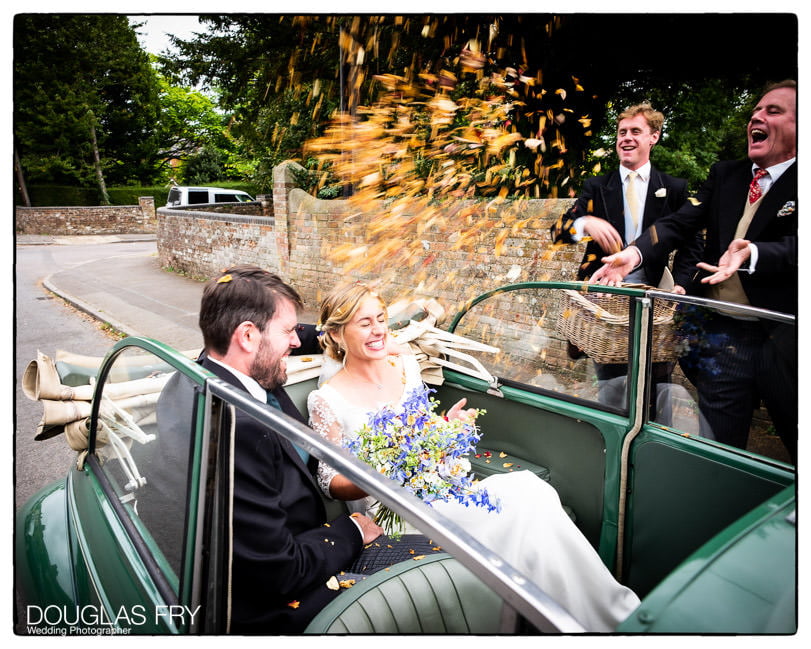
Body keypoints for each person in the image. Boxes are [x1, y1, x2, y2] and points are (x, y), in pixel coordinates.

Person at [307, 281, 642, 632]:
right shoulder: (327, 399)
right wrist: (387, 470)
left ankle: (608, 616)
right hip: (396, 512)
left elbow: (426, 432)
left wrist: (447, 427)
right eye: (364, 323)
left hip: (442, 484)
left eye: (381, 318)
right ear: (336, 333)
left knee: (534, 491)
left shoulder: (404, 366)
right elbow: (331, 482)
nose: (378, 330)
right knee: (522, 510)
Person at [196, 264, 437, 633]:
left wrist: (359, 334)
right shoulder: (237, 429)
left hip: (312, 546)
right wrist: (352, 530)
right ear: (247, 335)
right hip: (292, 591)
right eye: (290, 331)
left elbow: (315, 334)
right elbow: (279, 570)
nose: (297, 342)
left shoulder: (226, 366)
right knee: (449, 567)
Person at [591, 80, 797, 460]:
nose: (757, 116)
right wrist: (634, 254)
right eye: (756, 110)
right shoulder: (727, 174)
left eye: (774, 111)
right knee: (720, 449)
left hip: (784, 337)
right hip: (720, 335)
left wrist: (753, 253)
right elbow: (679, 224)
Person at [550, 103, 702, 417]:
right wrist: (583, 224)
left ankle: (653, 449)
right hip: (606, 303)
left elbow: (692, 244)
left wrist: (682, 286)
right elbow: (557, 232)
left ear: (654, 137)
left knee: (659, 385)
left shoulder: (674, 188)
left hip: (656, 302)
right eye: (622, 132)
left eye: (636, 131)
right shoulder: (596, 186)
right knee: (611, 388)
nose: (627, 138)